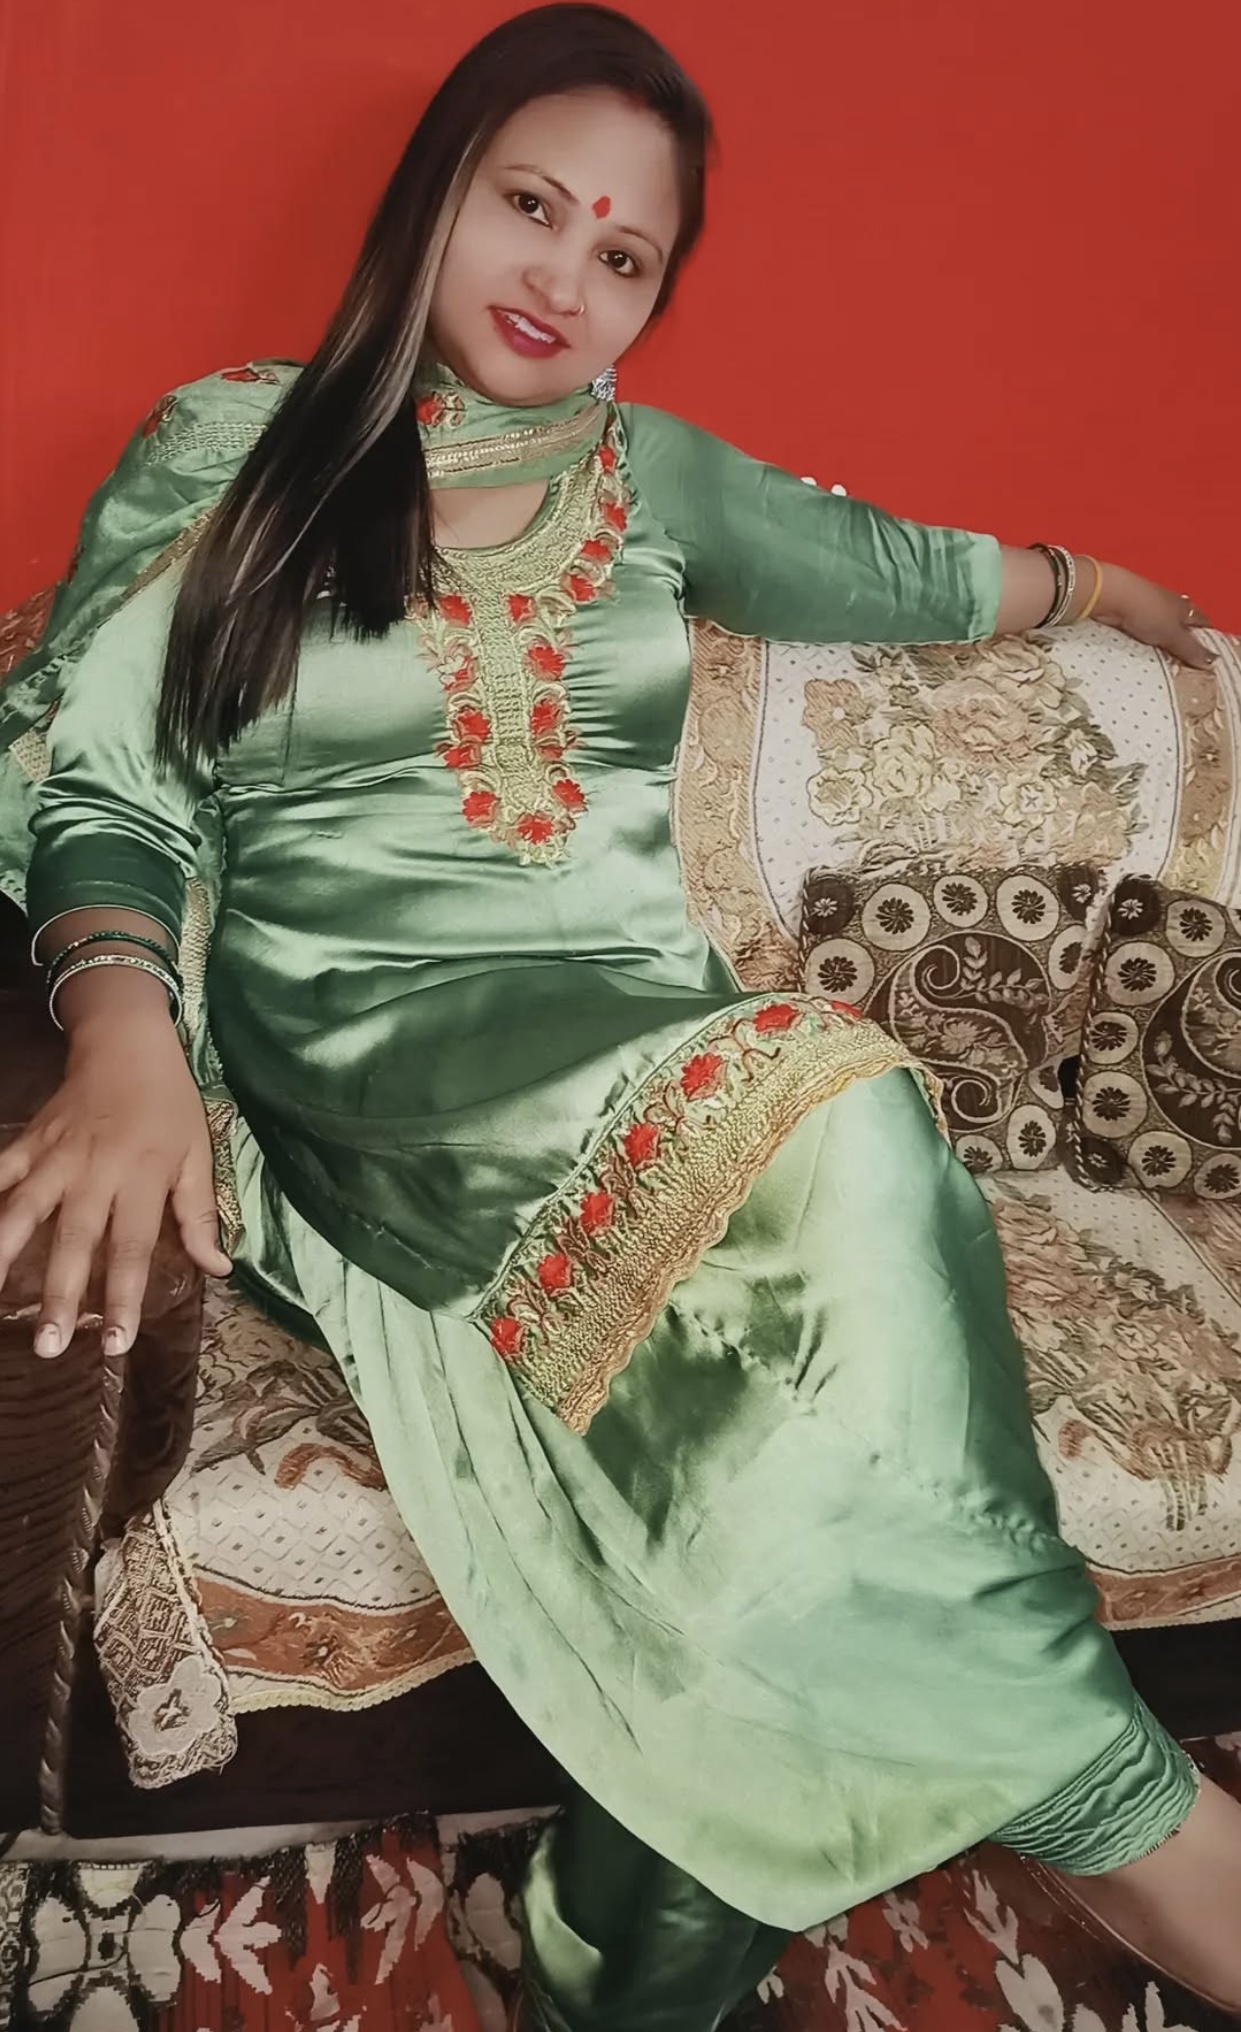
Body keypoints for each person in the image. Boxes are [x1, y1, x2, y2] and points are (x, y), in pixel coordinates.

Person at [0, 6, 1237, 2026]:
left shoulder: (653, 474)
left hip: (654, 1049)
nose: (563, 275)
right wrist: (126, 1030)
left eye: (624, 253)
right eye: (530, 205)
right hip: (367, 1062)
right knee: (847, 1105)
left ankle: (634, 1927)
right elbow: (102, 773)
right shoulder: (236, 445)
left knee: (832, 1263)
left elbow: (890, 568)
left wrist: (1084, 583)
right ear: (435, 197)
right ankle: (1135, 1824)